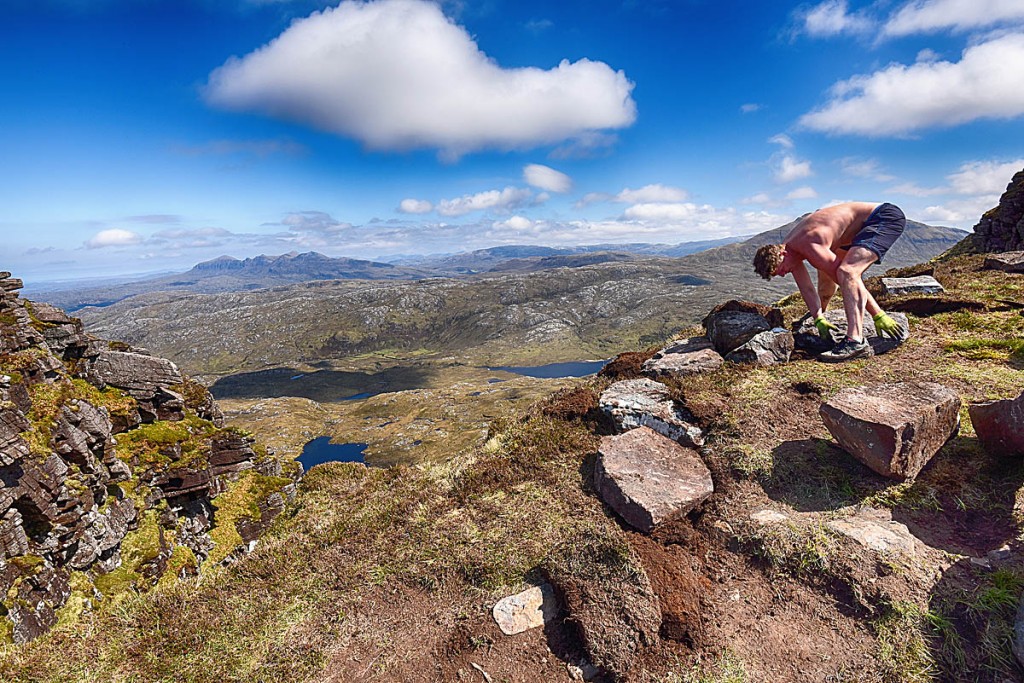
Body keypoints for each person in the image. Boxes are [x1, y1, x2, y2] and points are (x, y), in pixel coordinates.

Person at [752, 201, 908, 362]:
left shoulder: (808, 243)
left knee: (847, 272)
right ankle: (825, 312)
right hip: (853, 232)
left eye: (781, 269)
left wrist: (878, 315)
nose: (784, 274)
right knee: (828, 276)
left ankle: (855, 341)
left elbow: (847, 280)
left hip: (883, 218)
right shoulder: (790, 250)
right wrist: (818, 317)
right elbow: (806, 288)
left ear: (782, 255)